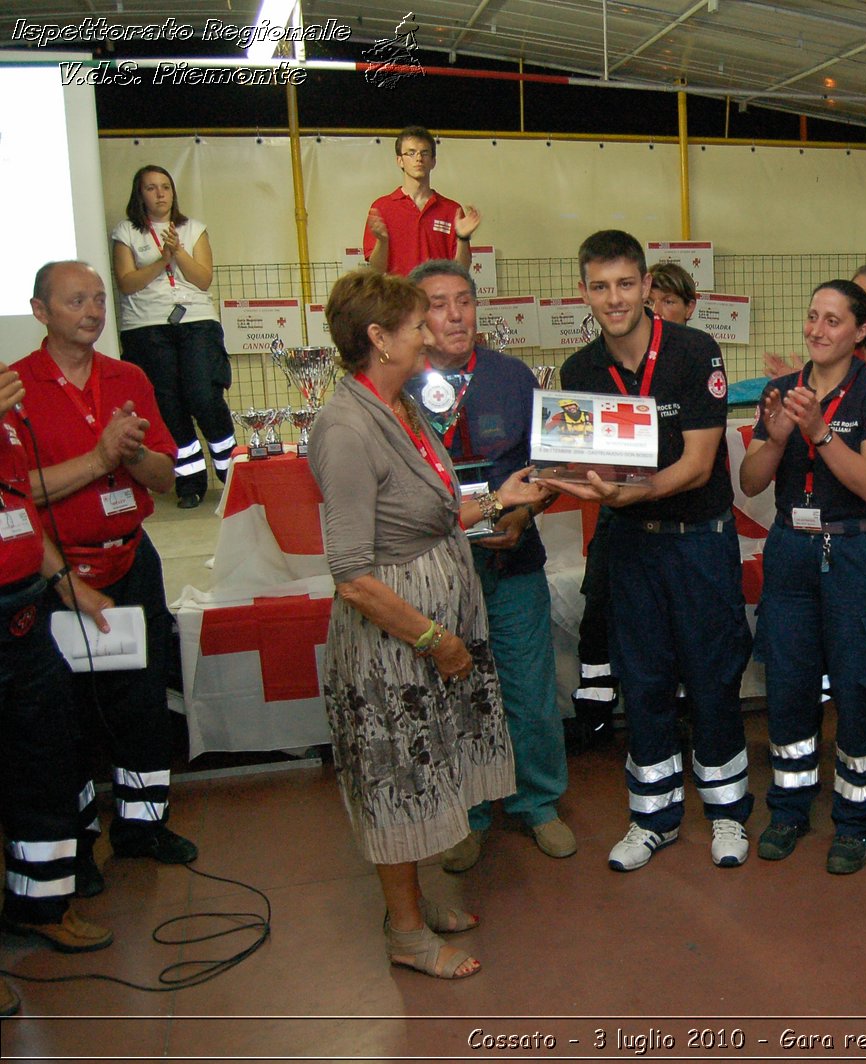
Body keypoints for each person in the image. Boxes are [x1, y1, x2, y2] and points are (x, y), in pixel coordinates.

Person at [308, 269, 515, 979]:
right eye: (416, 324)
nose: (430, 334)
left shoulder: (402, 408)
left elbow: (429, 512)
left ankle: (414, 902)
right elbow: (352, 575)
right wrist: (436, 638)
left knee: (428, 768)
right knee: (398, 776)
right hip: (393, 647)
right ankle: (404, 931)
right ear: (378, 338)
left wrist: (496, 503)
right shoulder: (343, 428)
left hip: (426, 636)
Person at [552, 230, 753, 872]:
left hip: (699, 543)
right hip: (631, 548)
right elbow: (583, 470)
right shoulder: (580, 371)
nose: (614, 299)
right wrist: (575, 482)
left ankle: (726, 814)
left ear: (645, 286)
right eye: (599, 286)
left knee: (712, 675)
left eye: (625, 284)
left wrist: (630, 493)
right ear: (584, 292)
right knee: (641, 683)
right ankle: (653, 817)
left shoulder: (695, 351)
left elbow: (697, 466)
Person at [16, 261, 195, 896]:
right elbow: (15, 496)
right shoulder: (17, 388)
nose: (93, 310)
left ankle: (144, 828)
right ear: (40, 311)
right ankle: (79, 844)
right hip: (57, 573)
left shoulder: (128, 378)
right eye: (75, 301)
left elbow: (165, 476)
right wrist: (97, 460)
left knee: (143, 700)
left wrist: (132, 454)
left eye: (99, 299)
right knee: (64, 716)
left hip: (131, 559)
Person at [405, 259, 573, 872]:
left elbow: (547, 466)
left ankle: (539, 804)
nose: (454, 315)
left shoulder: (512, 376)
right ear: (416, 317)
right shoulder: (401, 386)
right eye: (438, 303)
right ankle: (469, 813)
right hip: (438, 569)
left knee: (529, 687)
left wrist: (523, 516)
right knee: (458, 691)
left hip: (514, 560)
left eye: (464, 301)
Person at [740, 279, 866, 875]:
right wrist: (779, 432)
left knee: (858, 688)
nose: (818, 330)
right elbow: (753, 482)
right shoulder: (782, 392)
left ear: (861, 332)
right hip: (791, 549)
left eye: (834, 321)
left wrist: (819, 433)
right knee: (788, 681)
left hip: (856, 553)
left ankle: (856, 819)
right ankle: (788, 808)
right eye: (812, 316)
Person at [0, 359, 118, 1013]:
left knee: (43, 766)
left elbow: (21, 514)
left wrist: (66, 585)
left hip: (22, 619)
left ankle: (40, 904)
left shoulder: (10, 425)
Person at [110, 165, 235, 508]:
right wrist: (160, 260)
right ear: (140, 194)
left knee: (203, 395)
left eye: (165, 187)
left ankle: (233, 473)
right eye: (152, 188)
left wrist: (177, 252)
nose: (161, 194)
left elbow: (203, 279)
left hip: (195, 322)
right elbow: (126, 282)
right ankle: (189, 482)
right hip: (146, 327)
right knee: (167, 404)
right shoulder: (127, 232)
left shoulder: (192, 229)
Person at [363, 126, 481, 277]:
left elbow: (461, 270)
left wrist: (463, 238)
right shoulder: (381, 208)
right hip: (399, 298)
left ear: (433, 161)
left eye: (424, 153)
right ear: (400, 160)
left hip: (438, 299)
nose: (418, 158)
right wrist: (382, 241)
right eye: (411, 153)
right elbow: (377, 269)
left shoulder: (452, 210)